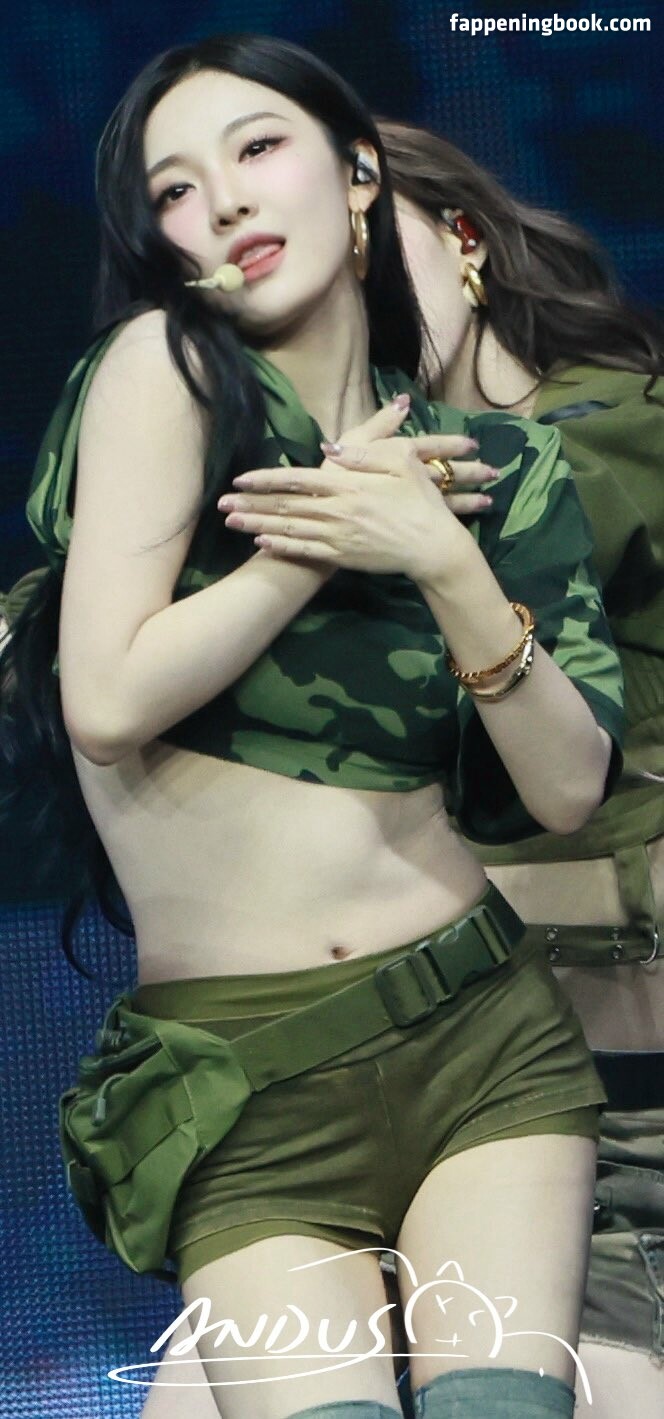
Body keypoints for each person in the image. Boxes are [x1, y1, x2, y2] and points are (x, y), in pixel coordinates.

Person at [1, 36, 625, 1419]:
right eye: (173, 189)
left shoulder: (492, 467)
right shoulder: (165, 369)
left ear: (357, 177)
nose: (220, 200)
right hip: (248, 1078)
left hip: (484, 1039)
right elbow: (105, 703)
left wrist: (443, 557)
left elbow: (568, 787)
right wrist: (318, 542)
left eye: (257, 148)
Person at [377, 118, 664, 1417]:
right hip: (458, 1114)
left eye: (365, 256)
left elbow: (548, 499)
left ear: (465, 241)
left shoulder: (620, 427)